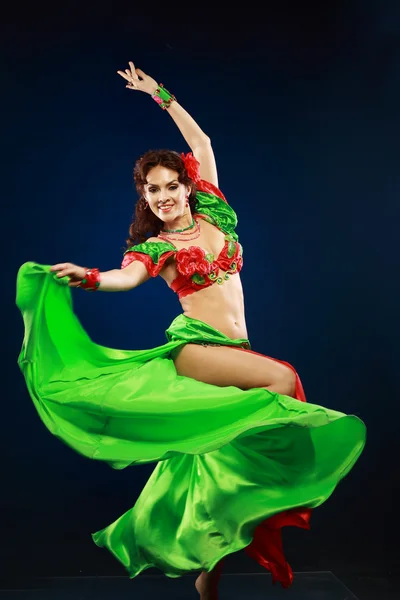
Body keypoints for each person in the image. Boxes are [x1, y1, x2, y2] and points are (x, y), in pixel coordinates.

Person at [16, 62, 366, 600]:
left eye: (170, 185)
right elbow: (124, 278)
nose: (163, 197)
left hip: (236, 348)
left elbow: (200, 140)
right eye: (152, 191)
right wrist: (87, 279)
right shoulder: (155, 247)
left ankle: (212, 564)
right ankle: (266, 478)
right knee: (281, 380)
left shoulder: (217, 216)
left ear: (185, 186)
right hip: (197, 349)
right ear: (145, 198)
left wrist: (158, 94)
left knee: (208, 478)